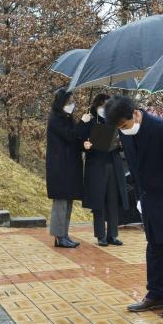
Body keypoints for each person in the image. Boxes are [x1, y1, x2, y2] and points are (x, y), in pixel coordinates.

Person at [105, 95, 163, 318]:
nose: (124, 130)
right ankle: (155, 294)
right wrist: (139, 195)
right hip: (148, 198)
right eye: (120, 128)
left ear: (136, 113)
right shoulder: (126, 133)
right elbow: (135, 168)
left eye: (125, 125)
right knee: (154, 248)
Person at [81, 93, 129, 247]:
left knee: (113, 200)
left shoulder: (114, 121)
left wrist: (120, 143)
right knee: (99, 201)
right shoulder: (89, 119)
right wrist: (85, 144)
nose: (104, 109)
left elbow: (122, 138)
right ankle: (101, 235)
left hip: (113, 164)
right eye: (102, 105)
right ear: (96, 105)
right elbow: (81, 138)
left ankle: (112, 234)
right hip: (96, 165)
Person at [45, 88, 87, 248]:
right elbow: (70, 135)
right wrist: (82, 122)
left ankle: (64, 234)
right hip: (60, 168)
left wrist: (84, 143)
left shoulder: (67, 118)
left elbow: (75, 139)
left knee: (68, 202)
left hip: (69, 167)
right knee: (61, 203)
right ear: (61, 102)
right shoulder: (56, 119)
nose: (72, 104)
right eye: (69, 101)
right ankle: (58, 236)